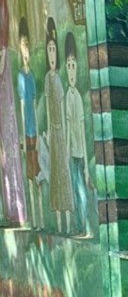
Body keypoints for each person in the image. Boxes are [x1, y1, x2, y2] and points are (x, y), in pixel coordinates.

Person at [0, 0, 26, 225]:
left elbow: (4, 13)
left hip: (2, 58)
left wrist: (2, 50)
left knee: (8, 134)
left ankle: (15, 207)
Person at [43, 16, 73, 234]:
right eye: (49, 50)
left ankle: (69, 226)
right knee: (55, 178)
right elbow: (47, 106)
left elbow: (62, 110)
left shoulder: (59, 80)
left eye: (54, 50)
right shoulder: (47, 78)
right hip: (53, 134)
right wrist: (49, 132)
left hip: (61, 132)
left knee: (64, 175)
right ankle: (60, 226)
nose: (52, 54)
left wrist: (63, 133)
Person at [63, 32, 90, 236]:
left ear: (77, 67)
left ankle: (85, 226)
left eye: (73, 65)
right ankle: (79, 226)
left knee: (81, 191)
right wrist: (66, 153)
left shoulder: (78, 98)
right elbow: (67, 128)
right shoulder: (67, 97)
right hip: (71, 153)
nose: (71, 70)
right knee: (74, 189)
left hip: (80, 154)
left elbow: (80, 130)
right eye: (68, 65)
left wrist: (87, 166)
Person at [17, 17, 40, 226]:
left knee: (37, 171)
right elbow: (23, 106)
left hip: (34, 131)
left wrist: (38, 132)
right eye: (23, 45)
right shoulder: (20, 77)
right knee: (30, 173)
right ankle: (32, 217)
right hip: (26, 131)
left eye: (28, 45)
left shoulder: (31, 75)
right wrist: (24, 135)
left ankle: (40, 218)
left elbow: (33, 103)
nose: (26, 50)